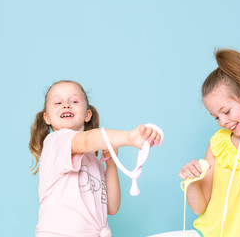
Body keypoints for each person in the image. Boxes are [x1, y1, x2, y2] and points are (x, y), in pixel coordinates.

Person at [149, 49, 240, 237]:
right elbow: (199, 206)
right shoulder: (218, 142)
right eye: (215, 117)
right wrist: (191, 180)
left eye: (226, 111)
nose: (223, 121)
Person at [29, 80, 162, 237]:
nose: (66, 105)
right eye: (58, 102)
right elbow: (85, 140)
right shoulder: (55, 141)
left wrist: (111, 163)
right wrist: (128, 137)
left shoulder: (93, 159)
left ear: (87, 114)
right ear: (47, 118)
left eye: (74, 101)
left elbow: (112, 207)